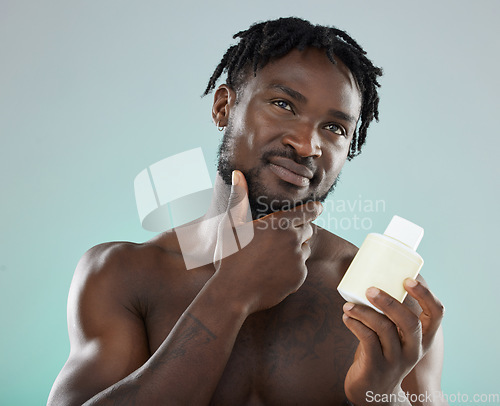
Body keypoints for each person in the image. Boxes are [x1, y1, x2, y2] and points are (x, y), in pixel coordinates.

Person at [48, 17, 446, 406]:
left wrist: (381, 396)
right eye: (283, 104)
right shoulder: (123, 274)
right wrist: (230, 294)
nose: (307, 145)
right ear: (224, 107)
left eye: (335, 128)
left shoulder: (385, 300)